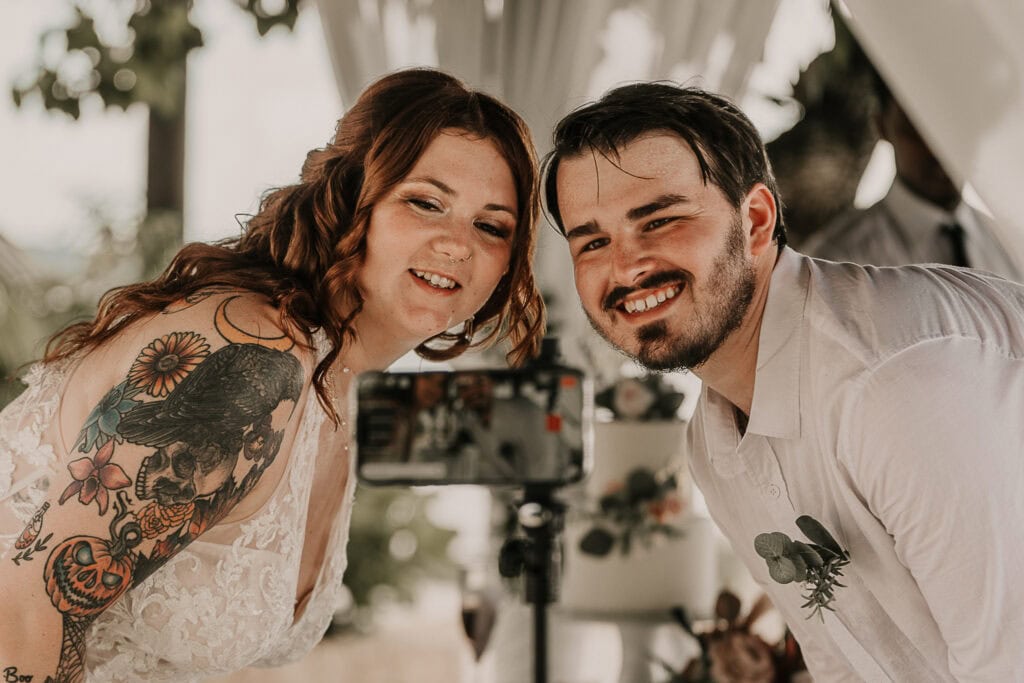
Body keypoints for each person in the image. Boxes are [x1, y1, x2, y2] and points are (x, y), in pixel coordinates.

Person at [0, 67, 545, 682]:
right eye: (425, 202)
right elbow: (23, 608)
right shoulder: (252, 362)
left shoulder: (340, 389)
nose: (457, 243)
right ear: (348, 201)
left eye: (491, 225)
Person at [543, 82, 1024, 680]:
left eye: (660, 219)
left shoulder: (895, 383)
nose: (626, 265)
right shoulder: (712, 440)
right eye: (593, 240)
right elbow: (843, 658)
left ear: (756, 221)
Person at [802, 70, 1022, 279]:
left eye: (954, 124)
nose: (938, 146)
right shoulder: (834, 265)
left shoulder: (1010, 244)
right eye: (917, 127)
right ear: (882, 127)